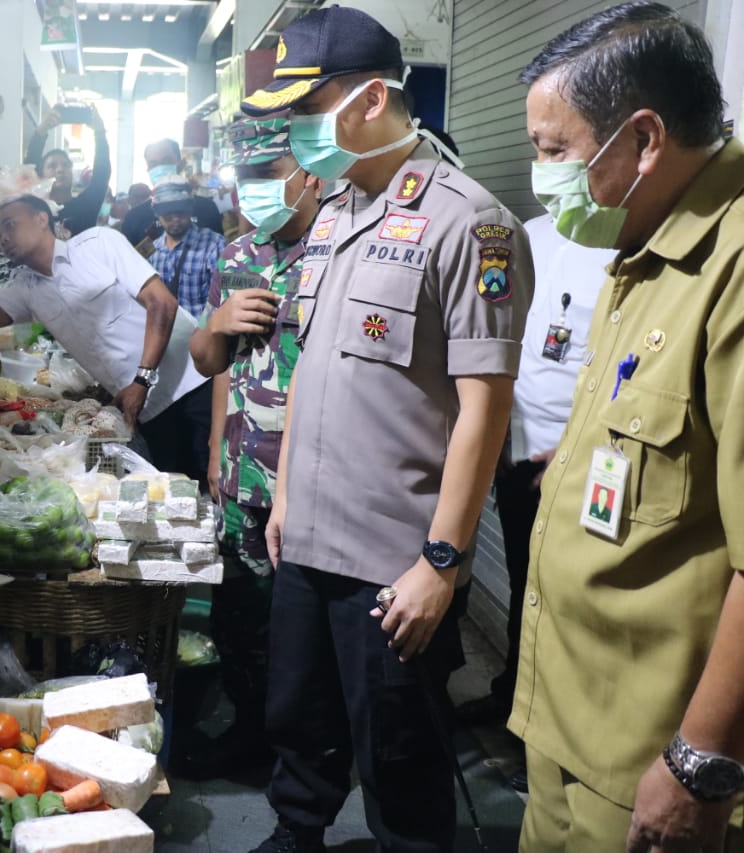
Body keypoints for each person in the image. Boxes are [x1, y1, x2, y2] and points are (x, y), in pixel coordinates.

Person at [240, 6, 533, 851]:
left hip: (395, 558)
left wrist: (442, 563)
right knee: (299, 719)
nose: (296, 130)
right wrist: (286, 495)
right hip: (311, 534)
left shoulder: (471, 224)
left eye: (307, 107)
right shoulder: (332, 215)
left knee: (401, 757)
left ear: (371, 98)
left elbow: (485, 405)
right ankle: (297, 831)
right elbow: (309, 374)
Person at [509, 4, 744, 849]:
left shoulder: (734, 267)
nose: (541, 175)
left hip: (649, 753)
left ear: (643, 139)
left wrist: (701, 760)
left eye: (553, 150)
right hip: (565, 712)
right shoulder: (639, 243)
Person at [182, 115, 321, 778]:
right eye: (243, 180)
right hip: (242, 473)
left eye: (266, 176)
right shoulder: (239, 258)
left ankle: (302, 750)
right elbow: (214, 362)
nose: (250, 193)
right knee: (239, 617)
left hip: (313, 485)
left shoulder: (337, 250)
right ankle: (248, 730)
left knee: (300, 630)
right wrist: (214, 445)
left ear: (310, 172)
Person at [454, 215, 610, 762]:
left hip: (587, 468)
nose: (547, 160)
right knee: (528, 588)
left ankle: (546, 742)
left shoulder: (628, 241)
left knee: (573, 608)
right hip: (520, 455)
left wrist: (586, 448)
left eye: (559, 146)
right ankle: (512, 701)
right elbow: (501, 345)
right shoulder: (528, 235)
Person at [0, 195, 209, 479]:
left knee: (217, 481)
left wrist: (142, 379)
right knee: (178, 494)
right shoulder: (26, 290)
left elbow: (162, 303)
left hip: (192, 385)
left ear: (42, 218)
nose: (3, 238)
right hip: (148, 410)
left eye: (10, 225)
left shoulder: (98, 244)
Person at [25, 104, 113, 237]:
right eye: (52, 166)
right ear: (41, 174)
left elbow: (102, 174)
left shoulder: (86, 205)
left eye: (65, 165)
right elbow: (28, 169)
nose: (60, 169)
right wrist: (41, 131)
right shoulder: (34, 208)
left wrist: (100, 132)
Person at [120, 139, 224, 245]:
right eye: (153, 164)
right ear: (148, 169)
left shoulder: (207, 208)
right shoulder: (134, 218)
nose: (160, 168)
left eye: (166, 161)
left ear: (181, 164)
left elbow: (221, 257)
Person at [150, 178, 227, 318]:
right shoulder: (152, 252)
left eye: (181, 213)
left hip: (202, 334)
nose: (176, 219)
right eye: (168, 214)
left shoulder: (214, 245)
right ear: (157, 214)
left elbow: (224, 301)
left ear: (191, 210)